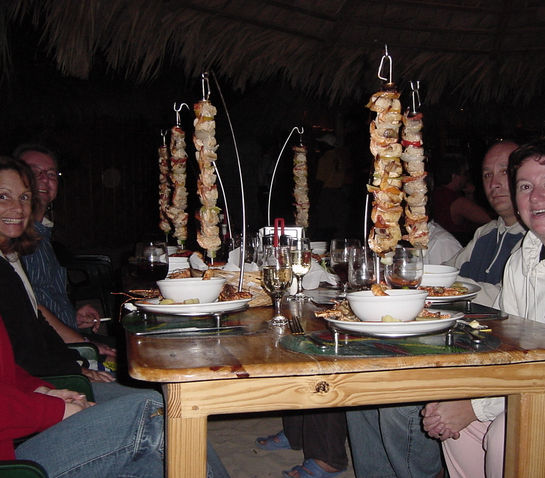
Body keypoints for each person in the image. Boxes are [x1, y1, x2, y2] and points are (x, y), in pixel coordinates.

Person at [0, 155, 231, 477]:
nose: (18, 206)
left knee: (158, 449)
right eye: (3, 196)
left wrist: (42, 390)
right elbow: (29, 343)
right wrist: (56, 403)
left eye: (23, 196)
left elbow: (13, 366)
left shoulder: (11, 258)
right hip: (15, 461)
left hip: (30, 408)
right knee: (157, 413)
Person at [422, 138, 545, 478]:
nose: (536, 197)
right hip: (516, 374)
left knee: (503, 430)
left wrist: (477, 405)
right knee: (448, 415)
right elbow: (505, 340)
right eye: (526, 186)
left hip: (534, 390)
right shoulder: (523, 258)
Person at [14, 144, 114, 357]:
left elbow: (45, 296)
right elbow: (28, 308)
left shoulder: (43, 233)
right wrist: (83, 343)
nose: (44, 178)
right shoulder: (13, 238)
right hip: (50, 352)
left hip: (66, 338)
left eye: (51, 173)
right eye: (34, 172)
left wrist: (71, 316)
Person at [445, 141, 525, 306]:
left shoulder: (535, 241)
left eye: (504, 172)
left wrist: (439, 284)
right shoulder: (485, 232)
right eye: (487, 175)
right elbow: (445, 271)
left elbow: (506, 299)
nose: (494, 183)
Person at [432, 153, 492, 245]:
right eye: (464, 174)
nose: (466, 178)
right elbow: (489, 219)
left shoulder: (435, 193)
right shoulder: (456, 201)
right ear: (454, 176)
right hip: (455, 247)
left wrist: (469, 194)